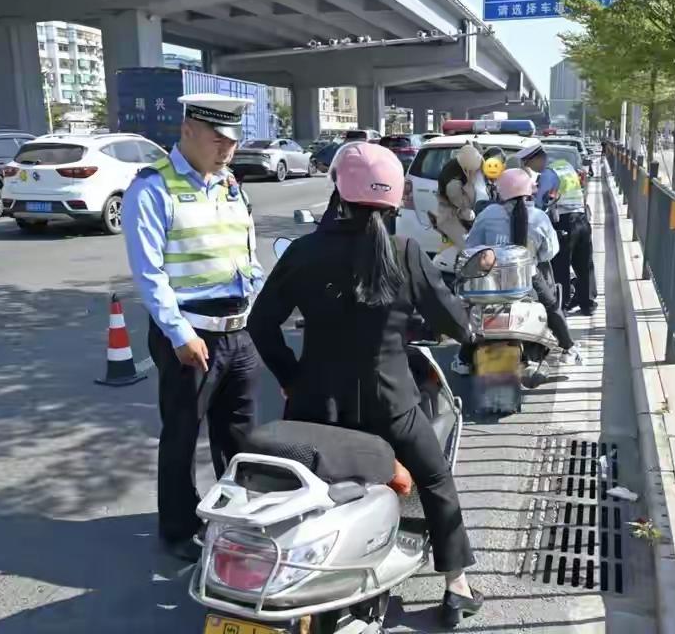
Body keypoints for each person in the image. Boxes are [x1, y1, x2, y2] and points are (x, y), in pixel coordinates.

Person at [247, 143, 483, 627]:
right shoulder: (406, 252)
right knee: (436, 479)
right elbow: (453, 319)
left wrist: (291, 378)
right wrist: (468, 333)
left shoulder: (303, 252)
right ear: (394, 196)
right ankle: (455, 583)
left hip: (315, 407)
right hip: (391, 407)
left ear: (339, 190)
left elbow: (261, 324)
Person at [122, 93, 264, 562]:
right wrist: (179, 333)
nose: (227, 149)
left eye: (232, 141)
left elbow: (245, 256)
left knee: (240, 435)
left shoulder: (230, 186)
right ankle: (178, 528)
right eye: (217, 139)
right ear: (187, 131)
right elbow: (149, 272)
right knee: (183, 433)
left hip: (237, 331)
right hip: (189, 335)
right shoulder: (152, 188)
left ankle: (239, 520)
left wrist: (260, 307)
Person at [464, 168, 581, 370]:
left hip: (490, 281)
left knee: (470, 310)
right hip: (527, 278)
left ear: (500, 191)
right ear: (529, 191)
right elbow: (549, 253)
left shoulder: (487, 214)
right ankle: (568, 347)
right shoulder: (539, 217)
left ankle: (463, 358)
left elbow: (472, 247)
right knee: (552, 308)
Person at [540, 150, 598, 315]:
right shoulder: (569, 170)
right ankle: (587, 303)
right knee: (585, 264)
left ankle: (563, 304)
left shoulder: (549, 174)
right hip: (582, 220)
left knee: (561, 265)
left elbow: (540, 202)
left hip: (564, 222)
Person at [435, 143, 484, 248]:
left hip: (456, 218)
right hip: (453, 219)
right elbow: (459, 202)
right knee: (465, 248)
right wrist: (466, 212)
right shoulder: (454, 181)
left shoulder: (460, 165)